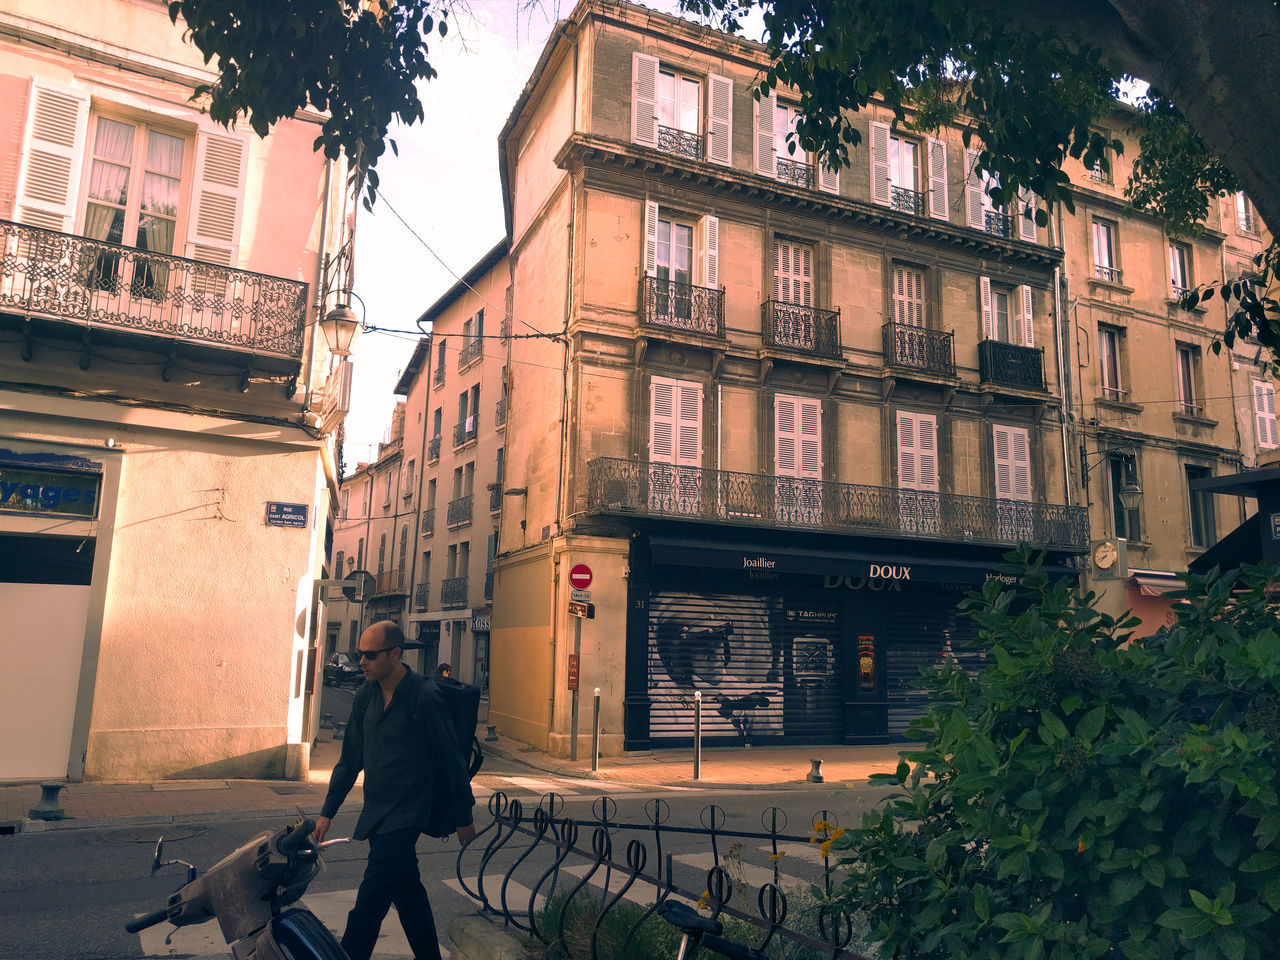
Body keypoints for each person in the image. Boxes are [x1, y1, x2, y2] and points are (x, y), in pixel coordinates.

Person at [314, 621, 475, 960]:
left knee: (370, 901)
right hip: (378, 809)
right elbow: (350, 759)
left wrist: (463, 816)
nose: (362, 662)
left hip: (408, 812)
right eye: (360, 654)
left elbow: (451, 760)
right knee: (408, 893)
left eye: (370, 655)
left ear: (395, 654)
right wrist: (328, 811)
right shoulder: (366, 696)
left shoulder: (425, 697)